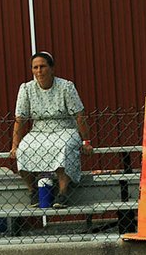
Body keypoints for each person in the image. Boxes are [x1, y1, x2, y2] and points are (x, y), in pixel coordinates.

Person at [9, 51, 92, 208]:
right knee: (23, 150)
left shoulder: (66, 87)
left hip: (65, 128)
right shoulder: (26, 89)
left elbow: (79, 115)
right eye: (35, 67)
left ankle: (62, 193)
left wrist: (86, 141)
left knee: (64, 147)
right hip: (38, 131)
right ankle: (33, 191)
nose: (39, 71)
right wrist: (15, 146)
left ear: (52, 69)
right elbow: (19, 119)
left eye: (43, 66)